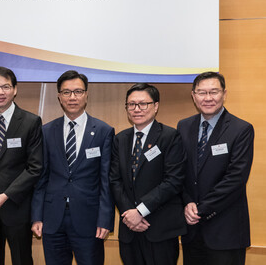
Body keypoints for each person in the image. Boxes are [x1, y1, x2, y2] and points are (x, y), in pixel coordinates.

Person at [31, 70, 114, 265]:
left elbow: (106, 180)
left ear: (86, 94)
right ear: (59, 97)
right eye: (66, 92)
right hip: (52, 219)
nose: (72, 97)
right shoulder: (46, 131)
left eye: (78, 91)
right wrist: (36, 216)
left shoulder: (103, 131)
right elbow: (41, 177)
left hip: (89, 219)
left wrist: (105, 219)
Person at [178, 71, 254, 265]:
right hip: (192, 231)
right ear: (194, 96)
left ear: (224, 94)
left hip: (225, 231)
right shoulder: (184, 126)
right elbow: (180, 171)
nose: (208, 98)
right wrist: (187, 203)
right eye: (202, 93)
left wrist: (201, 210)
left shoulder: (241, 129)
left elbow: (235, 178)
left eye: (214, 92)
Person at [0, 66, 43, 265]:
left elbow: (35, 167)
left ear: (15, 89)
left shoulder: (31, 122)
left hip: (16, 207)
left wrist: (7, 194)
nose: (0, 92)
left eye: (6, 87)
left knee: (21, 260)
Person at [109, 83, 186, 265]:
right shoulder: (120, 139)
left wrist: (141, 211)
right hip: (129, 229)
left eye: (143, 104)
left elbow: (173, 180)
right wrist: (130, 215)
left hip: (160, 229)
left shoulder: (170, 136)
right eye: (131, 104)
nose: (137, 109)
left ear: (156, 106)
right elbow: (114, 180)